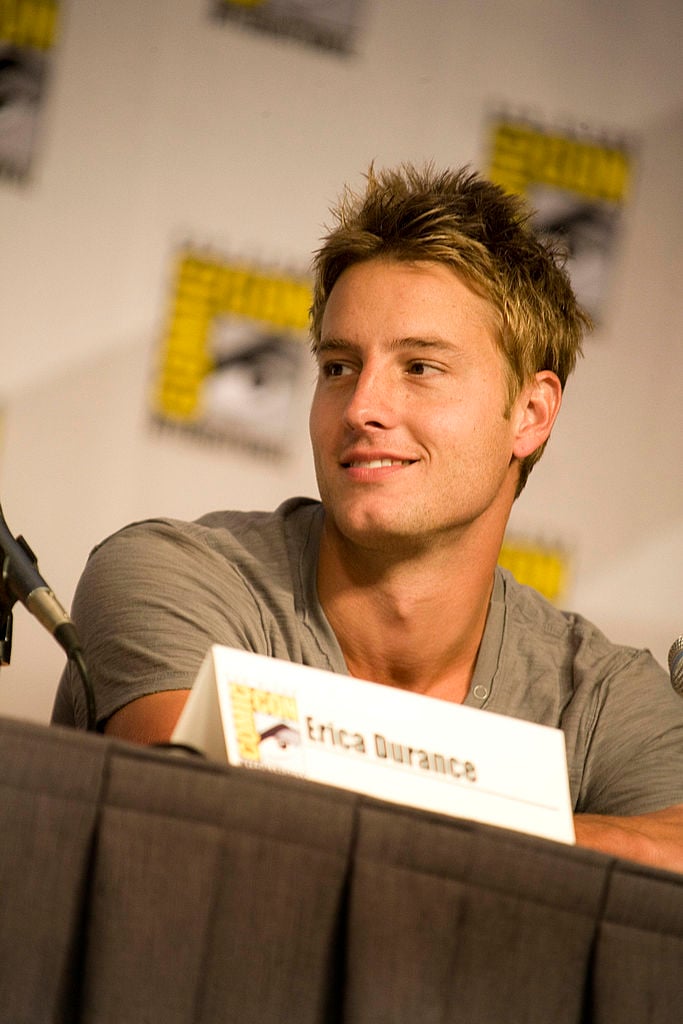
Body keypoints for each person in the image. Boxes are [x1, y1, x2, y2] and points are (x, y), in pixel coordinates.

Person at [52, 163, 683, 872]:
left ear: (530, 414)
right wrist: (585, 837)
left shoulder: (602, 698)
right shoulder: (171, 579)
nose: (360, 408)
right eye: (338, 367)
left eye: (419, 367)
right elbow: (199, 810)